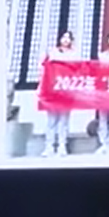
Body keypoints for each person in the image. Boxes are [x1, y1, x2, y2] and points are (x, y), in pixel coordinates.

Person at [42, 30, 80, 158]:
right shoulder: (52, 52)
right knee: (51, 120)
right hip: (52, 89)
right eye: (63, 37)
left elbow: (76, 69)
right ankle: (49, 146)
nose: (66, 40)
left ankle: (62, 145)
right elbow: (45, 68)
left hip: (66, 90)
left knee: (64, 120)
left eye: (68, 38)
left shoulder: (74, 54)